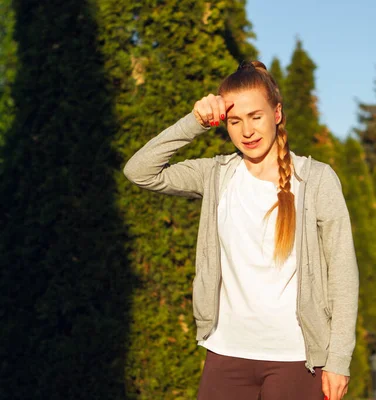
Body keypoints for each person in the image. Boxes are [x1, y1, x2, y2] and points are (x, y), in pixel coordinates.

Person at [123, 60, 359, 400]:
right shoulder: (216, 175)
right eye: (235, 121)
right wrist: (195, 122)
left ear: (277, 113)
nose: (247, 131)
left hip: (296, 358)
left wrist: (338, 359)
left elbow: (343, 273)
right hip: (227, 354)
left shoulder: (317, 179)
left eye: (255, 117)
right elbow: (140, 171)